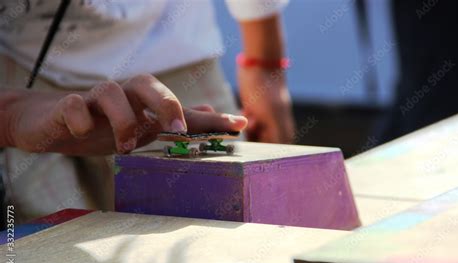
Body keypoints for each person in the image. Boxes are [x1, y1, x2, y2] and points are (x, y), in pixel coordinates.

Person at [0, 0, 294, 222]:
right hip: (23, 73)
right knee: (42, 256)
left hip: (176, 60)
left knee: (230, 227)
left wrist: (264, 63)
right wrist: (9, 118)